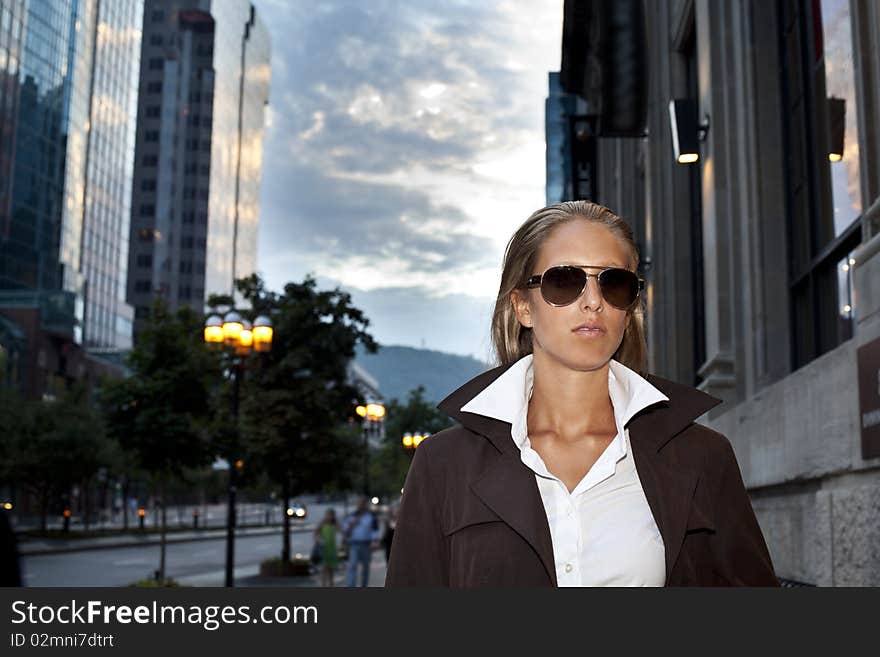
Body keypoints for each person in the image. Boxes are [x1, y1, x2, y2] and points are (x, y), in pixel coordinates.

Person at [386, 200, 779, 587]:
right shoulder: (443, 465)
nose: (593, 301)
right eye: (565, 280)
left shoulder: (701, 457)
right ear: (522, 306)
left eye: (614, 283)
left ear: (629, 308)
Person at [342, 496, 380, 587]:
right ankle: (351, 585)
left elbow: (374, 530)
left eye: (363, 503)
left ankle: (364, 585)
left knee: (365, 567)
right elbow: (345, 530)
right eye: (359, 503)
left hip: (366, 544)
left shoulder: (371, 516)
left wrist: (374, 541)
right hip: (354, 544)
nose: (361, 505)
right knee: (352, 565)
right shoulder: (352, 516)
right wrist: (351, 525)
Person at [313, 508, 340, 587]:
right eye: (328, 515)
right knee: (324, 568)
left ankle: (331, 584)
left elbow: (342, 531)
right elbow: (315, 533)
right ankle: (323, 584)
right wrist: (317, 540)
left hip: (332, 548)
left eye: (331, 515)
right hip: (324, 548)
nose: (329, 517)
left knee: (331, 569)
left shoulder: (335, 524)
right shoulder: (322, 524)